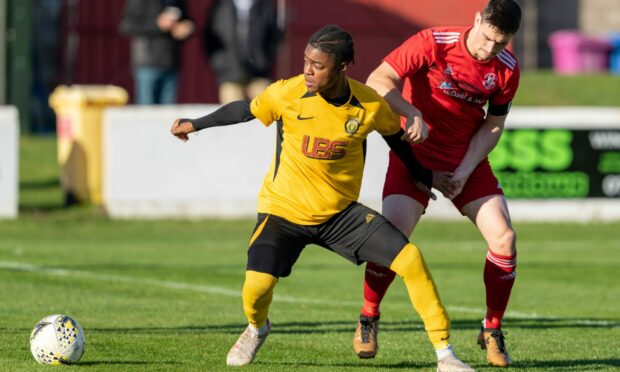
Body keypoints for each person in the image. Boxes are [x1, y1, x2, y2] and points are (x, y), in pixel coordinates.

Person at [171, 25, 474, 372]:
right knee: (256, 287)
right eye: (306, 61)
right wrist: (194, 124)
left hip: (340, 215)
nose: (308, 70)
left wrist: (423, 178)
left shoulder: (370, 105)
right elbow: (245, 109)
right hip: (283, 212)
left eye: (318, 65)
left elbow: (397, 141)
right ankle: (257, 327)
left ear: (343, 67)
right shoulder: (288, 93)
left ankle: (445, 355)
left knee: (411, 259)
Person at [351, 0, 521, 368]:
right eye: (488, 38)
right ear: (477, 20)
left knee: (504, 239)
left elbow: (493, 125)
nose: (489, 49)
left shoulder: (506, 69)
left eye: (501, 43)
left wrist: (464, 169)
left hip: (465, 162)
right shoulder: (434, 41)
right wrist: (410, 112)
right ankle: (369, 316)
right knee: (392, 236)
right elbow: (377, 82)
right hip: (415, 154)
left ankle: (492, 328)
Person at [202, 0, 282, 104]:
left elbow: (275, 35)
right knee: (232, 112)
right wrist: (219, 64)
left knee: (267, 108)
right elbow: (210, 37)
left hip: (259, 73)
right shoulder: (220, 6)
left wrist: (265, 60)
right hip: (229, 73)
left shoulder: (264, 5)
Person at [120, 0, 194, 104]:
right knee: (147, 110)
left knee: (168, 113)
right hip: (147, 62)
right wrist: (157, 24)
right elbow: (126, 26)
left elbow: (187, 21)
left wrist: (186, 28)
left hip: (171, 61)